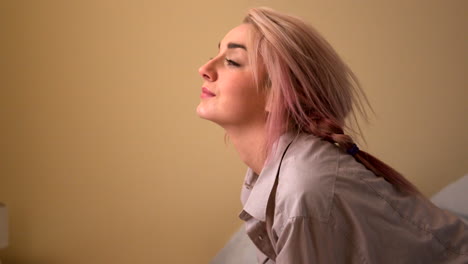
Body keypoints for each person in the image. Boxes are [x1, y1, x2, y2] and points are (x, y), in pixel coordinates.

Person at [196, 7, 467, 264]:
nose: (205, 69)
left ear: (277, 94)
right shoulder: (269, 178)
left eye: (232, 61)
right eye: (215, 53)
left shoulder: (303, 190)